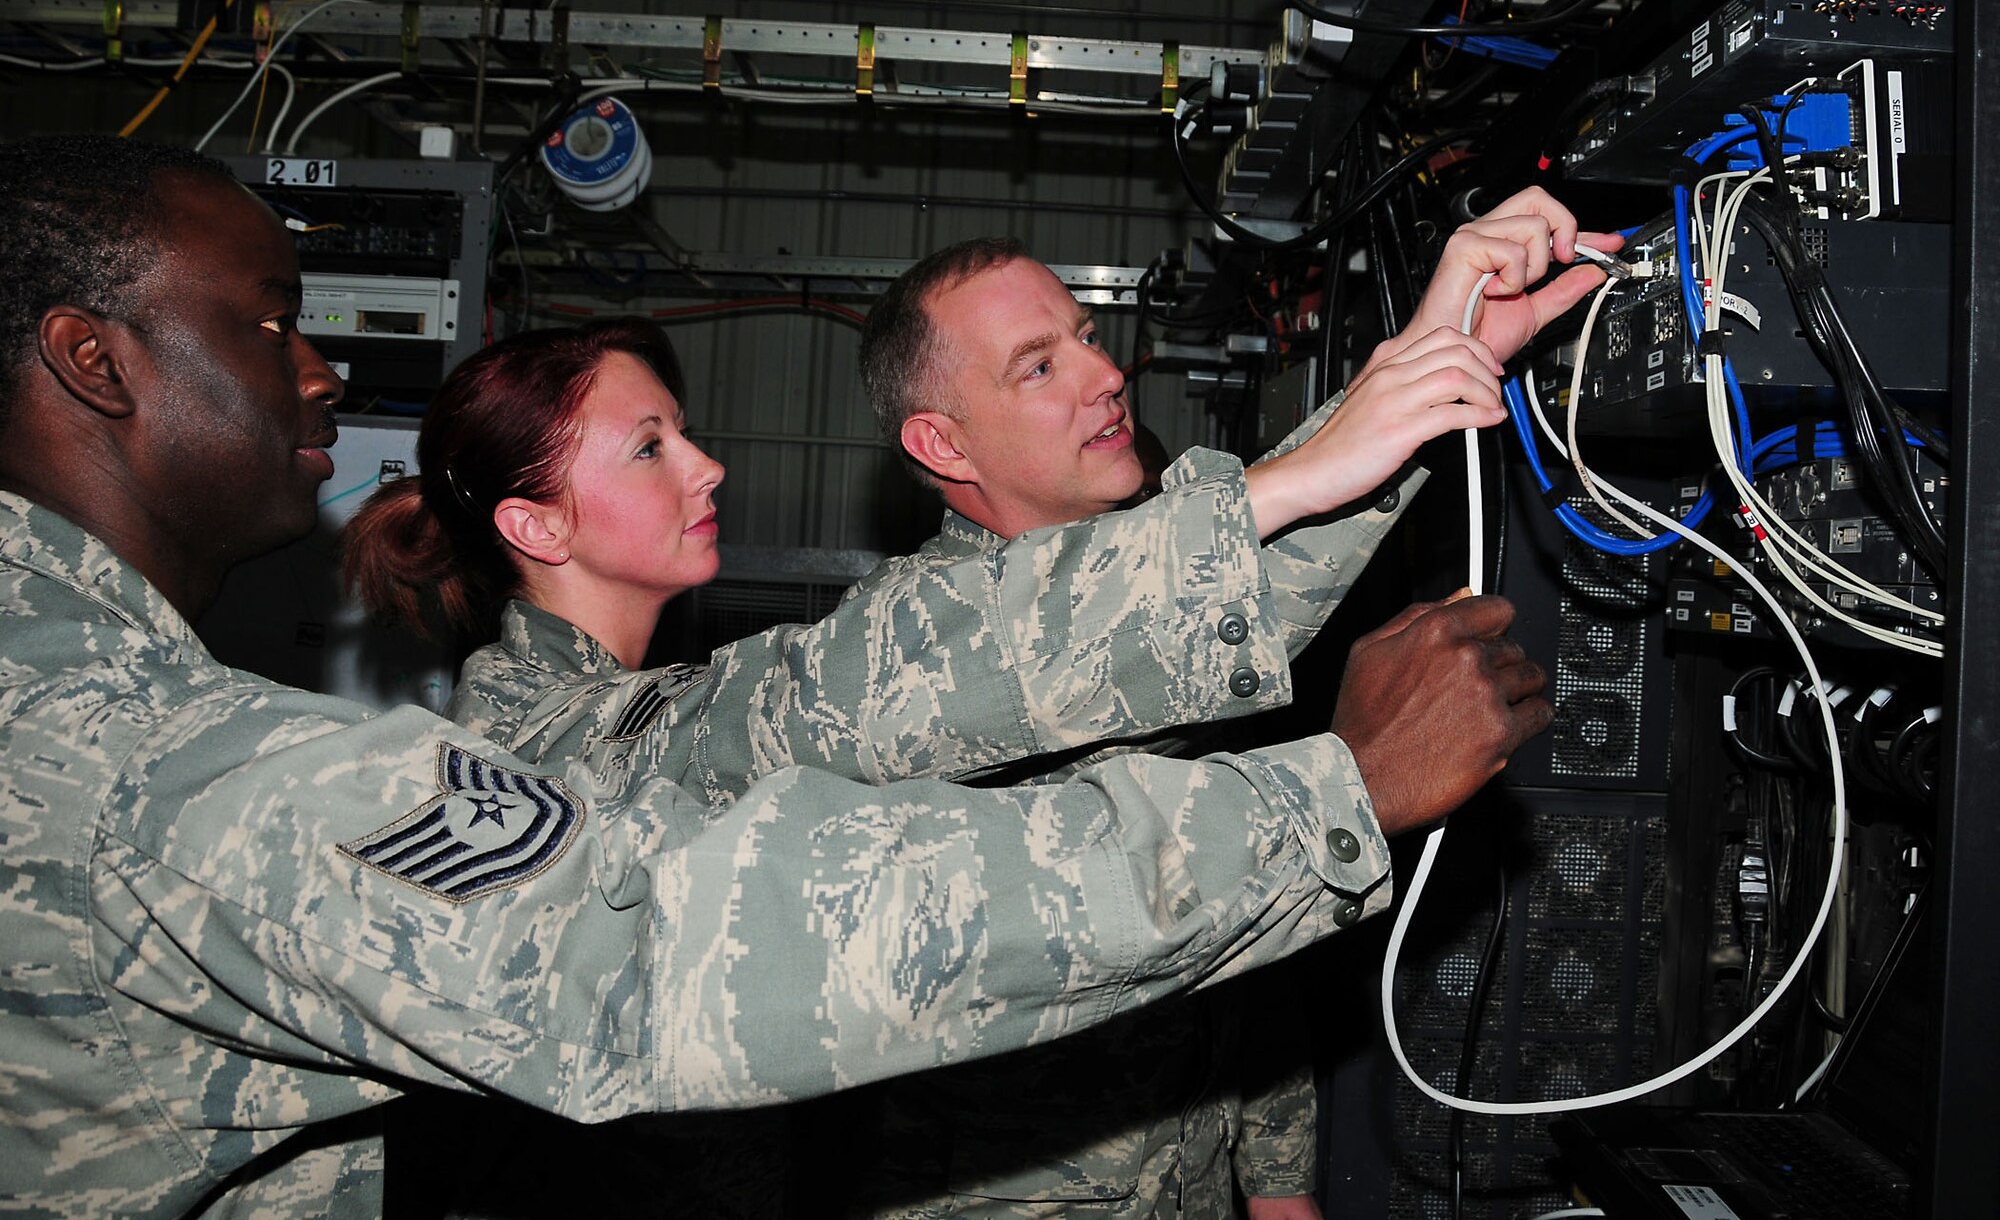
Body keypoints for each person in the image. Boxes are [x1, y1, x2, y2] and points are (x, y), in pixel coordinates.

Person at [0, 135, 1551, 1218]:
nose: (322, 365)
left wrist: (1371, 429)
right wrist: (1328, 793)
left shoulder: (107, 696)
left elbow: (824, 693)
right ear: (93, 358)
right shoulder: (162, 762)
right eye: (271, 322)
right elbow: (737, 850)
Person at [849, 200, 1611, 1220]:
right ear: (942, 442)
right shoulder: (907, 660)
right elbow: (1151, 614)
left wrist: (1280, 1181)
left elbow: (1243, 939)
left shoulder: (1167, 594)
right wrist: (1403, 380)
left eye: (1086, 335)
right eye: (1039, 366)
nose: (1104, 372)